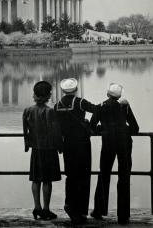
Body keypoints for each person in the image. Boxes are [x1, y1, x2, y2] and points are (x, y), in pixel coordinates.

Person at [90, 83, 139, 225]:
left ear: (107, 94)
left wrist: (104, 129)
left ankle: (99, 210)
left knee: (103, 175)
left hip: (108, 143)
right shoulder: (124, 106)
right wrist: (123, 130)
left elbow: (92, 127)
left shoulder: (100, 106)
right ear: (119, 96)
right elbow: (135, 128)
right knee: (124, 177)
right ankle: (123, 216)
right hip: (124, 143)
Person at [54, 78, 98, 225]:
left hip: (67, 144)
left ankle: (70, 204)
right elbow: (97, 110)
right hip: (82, 143)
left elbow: (56, 127)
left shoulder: (57, 106)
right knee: (84, 176)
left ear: (63, 90)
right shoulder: (80, 102)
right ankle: (80, 210)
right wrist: (89, 125)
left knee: (71, 175)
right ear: (76, 89)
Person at [23, 81, 62, 220]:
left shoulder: (28, 110)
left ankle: (36, 207)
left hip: (36, 148)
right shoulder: (49, 111)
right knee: (47, 180)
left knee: (35, 179)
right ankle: (46, 209)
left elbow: (25, 131)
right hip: (48, 149)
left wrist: (27, 144)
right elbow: (55, 132)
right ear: (47, 95)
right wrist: (60, 146)